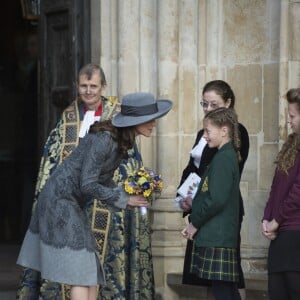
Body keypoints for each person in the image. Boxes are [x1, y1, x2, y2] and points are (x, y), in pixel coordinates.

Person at [16, 64, 155, 300]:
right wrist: (123, 198)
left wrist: (128, 199)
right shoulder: (105, 139)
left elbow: (103, 179)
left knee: (90, 270)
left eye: (94, 86)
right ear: (136, 121)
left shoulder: (120, 138)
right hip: (60, 202)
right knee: (81, 273)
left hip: (70, 202)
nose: (154, 124)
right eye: (149, 119)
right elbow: (87, 184)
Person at [178, 80, 249, 300]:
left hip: (216, 215)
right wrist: (183, 195)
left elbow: (218, 185)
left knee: (227, 278)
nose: (208, 109)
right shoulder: (206, 135)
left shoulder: (231, 143)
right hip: (203, 209)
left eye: (214, 104)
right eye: (204, 104)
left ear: (228, 103)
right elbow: (192, 166)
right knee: (215, 280)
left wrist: (196, 218)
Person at [262, 88, 300, 300]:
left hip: (295, 233)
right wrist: (266, 218)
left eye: (292, 116)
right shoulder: (291, 145)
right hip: (280, 236)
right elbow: (276, 188)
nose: (288, 121)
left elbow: (298, 192)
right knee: (276, 293)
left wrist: (276, 220)